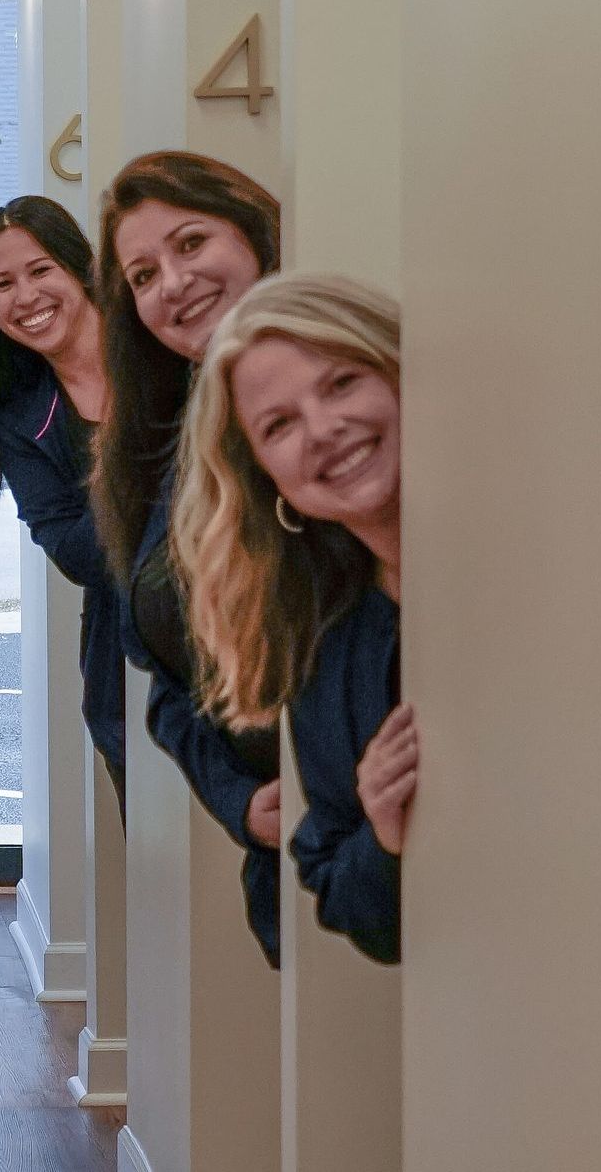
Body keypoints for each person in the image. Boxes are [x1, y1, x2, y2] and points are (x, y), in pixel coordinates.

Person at [171, 273, 412, 964]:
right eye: (279, 425)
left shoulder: (533, 566)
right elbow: (350, 905)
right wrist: (385, 830)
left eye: (341, 384)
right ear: (270, 480)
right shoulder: (327, 651)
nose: (325, 429)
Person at [88, 150, 285, 966]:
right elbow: (167, 684)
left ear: (256, 233)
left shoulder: (332, 402)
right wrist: (242, 802)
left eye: (192, 242)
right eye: (142, 275)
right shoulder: (164, 448)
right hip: (289, 866)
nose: (172, 283)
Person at [0, 195, 126, 813]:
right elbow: (77, 554)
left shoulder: (162, 347)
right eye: (3, 283)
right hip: (127, 669)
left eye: (40, 269)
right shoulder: (22, 416)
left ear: (79, 268)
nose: (25, 297)